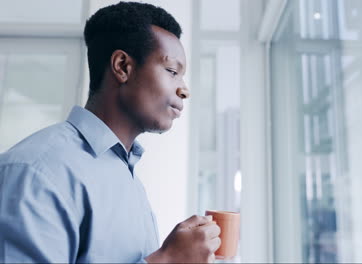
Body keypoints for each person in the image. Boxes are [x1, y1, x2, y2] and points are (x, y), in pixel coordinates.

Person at [0, 2, 221, 263]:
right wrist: (167, 260)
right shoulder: (36, 172)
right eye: (172, 71)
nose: (184, 90)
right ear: (123, 66)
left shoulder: (128, 179)